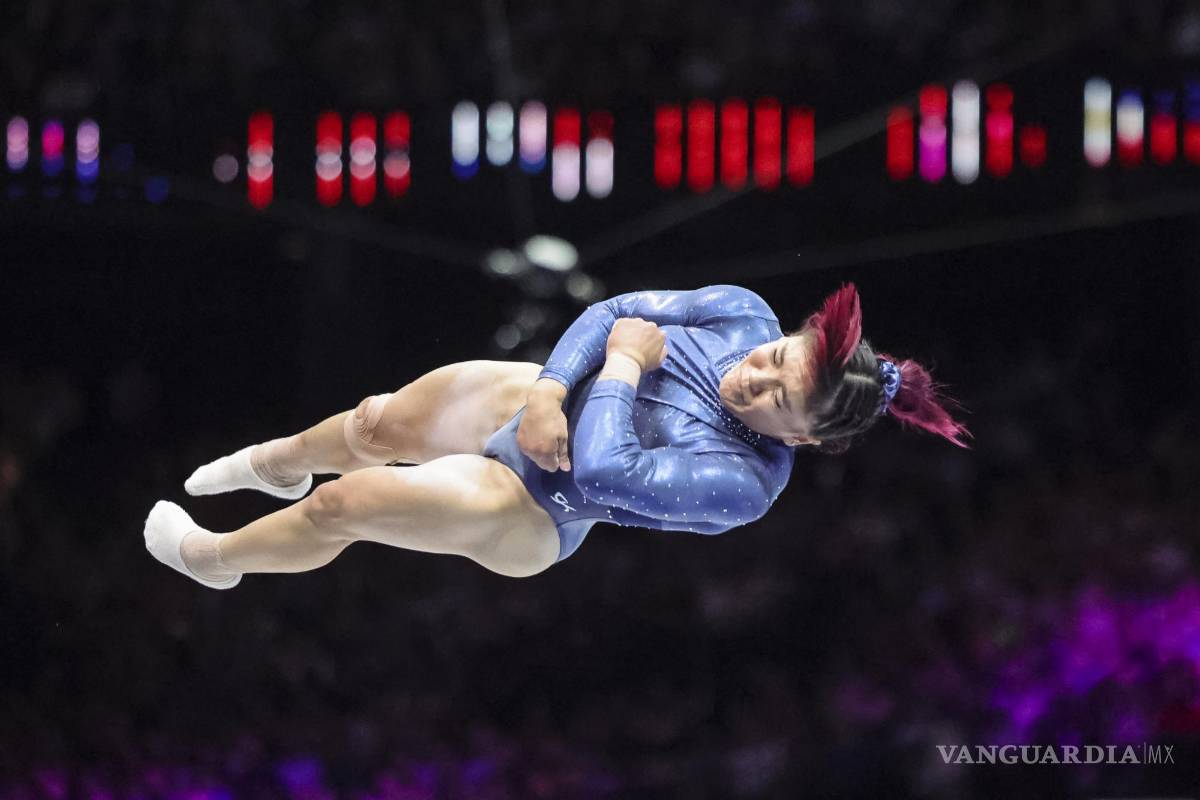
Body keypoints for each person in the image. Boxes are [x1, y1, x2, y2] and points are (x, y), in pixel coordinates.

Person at [144, 283, 970, 589]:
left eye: (774, 398)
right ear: (783, 331)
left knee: (347, 506)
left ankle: (214, 562)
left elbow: (606, 472)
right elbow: (612, 310)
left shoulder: (747, 486)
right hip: (539, 403)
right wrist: (548, 390)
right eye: (774, 358)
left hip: (533, 506)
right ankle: (270, 466)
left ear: (807, 440)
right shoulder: (739, 311)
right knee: (373, 422)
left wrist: (616, 370)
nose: (751, 376)